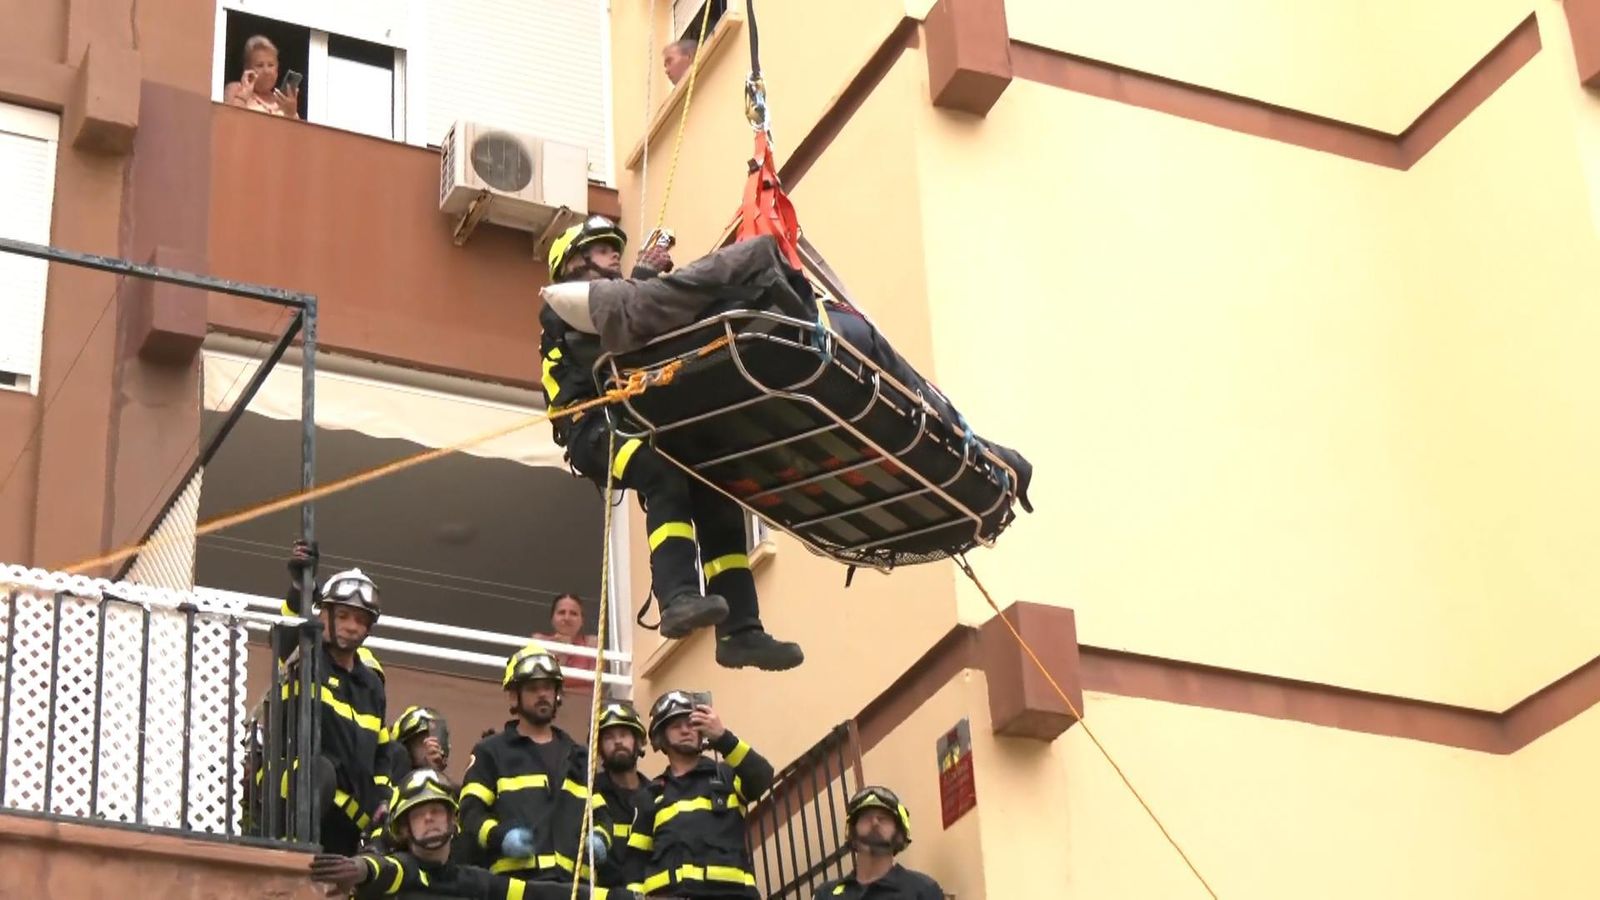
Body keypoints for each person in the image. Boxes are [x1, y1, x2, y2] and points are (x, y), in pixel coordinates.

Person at [538, 216, 804, 672]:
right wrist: (643, 280)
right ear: (573, 264)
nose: (613, 257)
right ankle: (676, 598)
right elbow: (607, 342)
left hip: (636, 420)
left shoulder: (610, 297)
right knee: (662, 473)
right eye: (602, 251)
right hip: (593, 428)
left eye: (613, 249)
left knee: (717, 493)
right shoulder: (564, 307)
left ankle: (741, 630)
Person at [309, 768, 646, 899]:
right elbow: (388, 870)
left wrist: (625, 899)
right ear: (401, 827)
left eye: (437, 811)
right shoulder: (404, 872)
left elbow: (540, 894)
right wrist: (361, 868)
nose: (430, 819)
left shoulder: (473, 881)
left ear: (453, 820)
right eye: (420, 814)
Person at [458, 643, 613, 882]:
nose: (542, 694)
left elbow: (601, 815)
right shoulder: (491, 752)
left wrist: (600, 837)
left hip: (573, 887)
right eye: (533, 688)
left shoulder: (579, 756)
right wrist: (500, 837)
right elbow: (470, 813)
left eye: (548, 687)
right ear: (514, 697)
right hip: (518, 885)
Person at [275, 541, 390, 855]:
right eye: (343, 615)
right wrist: (302, 587)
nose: (352, 626)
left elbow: (382, 754)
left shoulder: (372, 686)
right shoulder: (306, 658)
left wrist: (382, 801)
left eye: (361, 620)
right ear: (324, 614)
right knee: (320, 769)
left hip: (349, 830)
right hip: (297, 807)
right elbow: (288, 633)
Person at [624, 691, 773, 897]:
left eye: (692, 724)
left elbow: (762, 776)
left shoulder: (727, 777)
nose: (686, 730)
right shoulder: (650, 796)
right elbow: (635, 866)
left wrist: (723, 738)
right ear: (661, 738)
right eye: (676, 726)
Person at [811, 786, 944, 899]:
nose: (874, 823)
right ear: (852, 831)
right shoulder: (826, 895)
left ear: (898, 833)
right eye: (866, 817)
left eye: (884, 818)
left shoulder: (922, 890)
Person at [590, 704, 651, 888]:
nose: (617, 742)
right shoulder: (589, 792)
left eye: (624, 734)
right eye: (608, 737)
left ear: (638, 742)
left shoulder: (656, 795)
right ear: (598, 749)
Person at [224, 35, 300, 118]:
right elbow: (231, 120)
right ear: (247, 68)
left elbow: (298, 131)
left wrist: (291, 113)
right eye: (260, 65)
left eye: (271, 65)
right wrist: (243, 95)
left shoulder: (283, 100)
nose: (266, 71)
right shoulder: (236, 89)